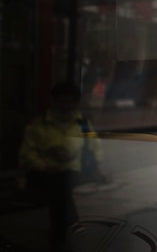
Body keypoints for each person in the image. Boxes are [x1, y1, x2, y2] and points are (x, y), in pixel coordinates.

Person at [18, 81, 104, 250]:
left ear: (76, 103)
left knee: (60, 191)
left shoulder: (82, 123)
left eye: (71, 101)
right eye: (62, 101)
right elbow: (27, 153)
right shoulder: (38, 125)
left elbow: (96, 147)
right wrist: (43, 165)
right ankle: (73, 226)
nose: (67, 106)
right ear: (54, 101)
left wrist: (92, 164)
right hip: (46, 172)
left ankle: (60, 236)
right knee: (60, 190)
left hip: (75, 169)